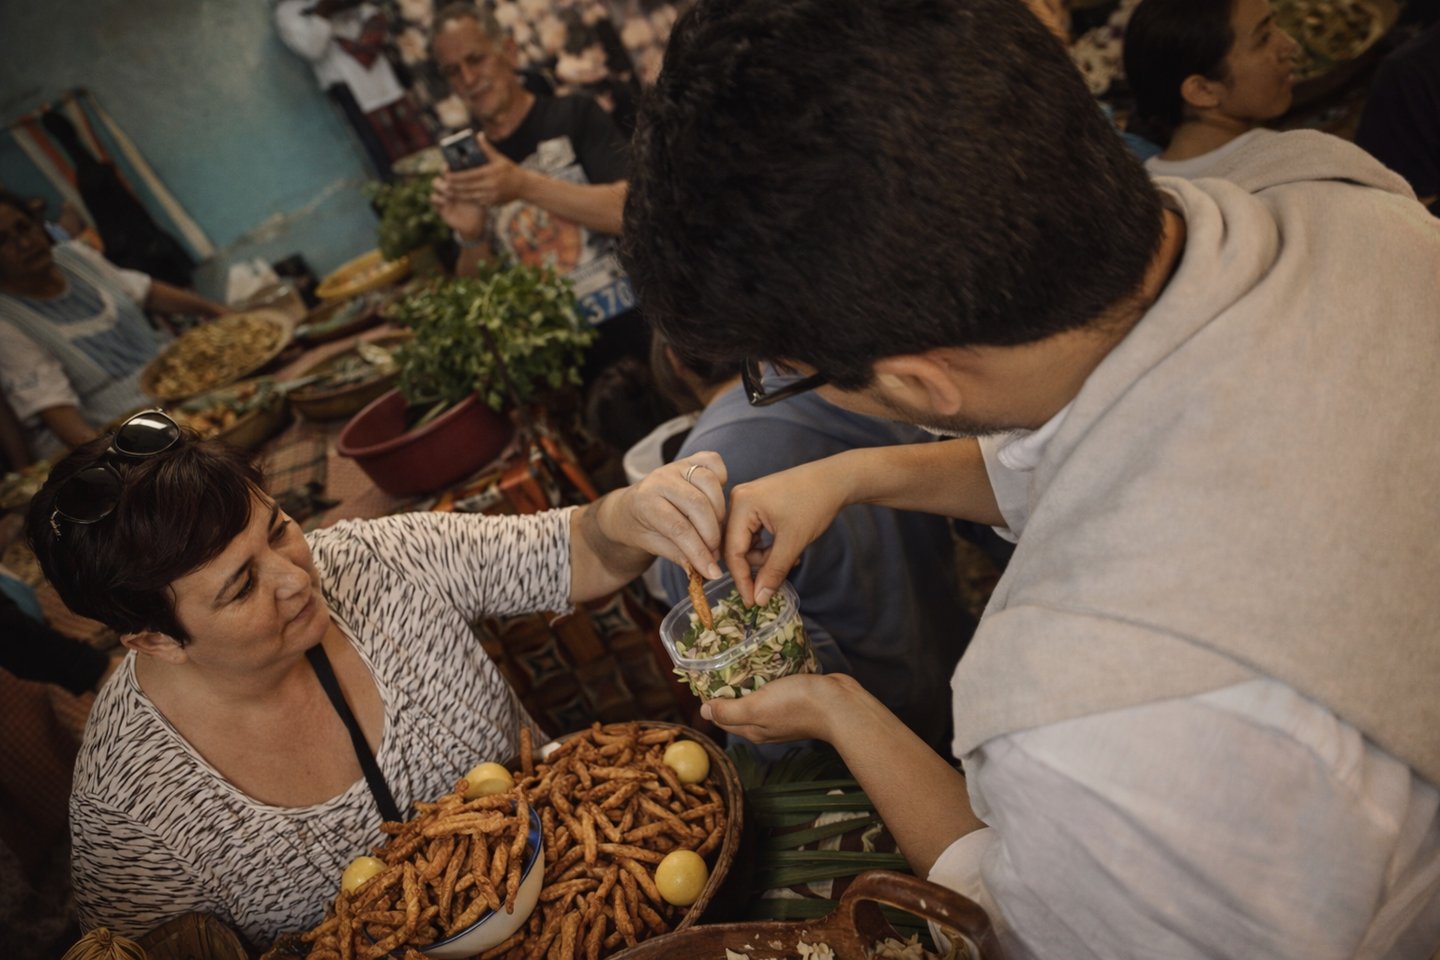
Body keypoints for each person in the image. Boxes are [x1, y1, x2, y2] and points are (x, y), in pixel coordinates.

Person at [621, 0, 1440, 956]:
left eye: (784, 372)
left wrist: (835, 706)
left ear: (920, 382)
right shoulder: (1336, 195)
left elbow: (1010, 917)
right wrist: (845, 476)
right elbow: (1108, 455)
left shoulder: (1086, 716)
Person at [26, 410, 727, 946]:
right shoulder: (128, 806)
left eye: (279, 530)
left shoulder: (377, 561)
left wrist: (635, 513)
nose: (296, 579)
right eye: (241, 587)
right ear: (153, 639)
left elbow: (579, 548)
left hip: (604, 916)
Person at [650, 334, 974, 751]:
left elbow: (766, 701)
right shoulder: (856, 383)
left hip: (872, 743)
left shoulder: (696, 495)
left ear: (676, 361)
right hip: (957, 666)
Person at [427, 3, 650, 386]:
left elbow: (632, 213)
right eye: (453, 71)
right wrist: (472, 236)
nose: (468, 79)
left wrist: (523, 185)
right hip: (565, 373)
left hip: (642, 334)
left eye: (476, 59)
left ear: (509, 52)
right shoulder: (469, 165)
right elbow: (478, 300)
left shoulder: (574, 114)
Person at [0, 191, 228, 462]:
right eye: (3, 241)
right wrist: (122, 462)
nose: (25, 243)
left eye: (24, 227)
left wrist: (218, 311)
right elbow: (60, 416)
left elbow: (146, 291)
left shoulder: (75, 256)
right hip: (127, 437)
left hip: (182, 397)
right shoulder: (7, 322)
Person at [1123, 0, 1300, 178]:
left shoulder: (1145, 185)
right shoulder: (1289, 161)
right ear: (1202, 90)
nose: (1289, 44)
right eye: (1264, 38)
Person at [274, 0, 433, 179]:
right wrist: (323, 11)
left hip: (385, 79)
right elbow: (313, 49)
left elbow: (373, 14)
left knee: (422, 146)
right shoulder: (288, 12)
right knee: (389, 162)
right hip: (353, 94)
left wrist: (364, 37)